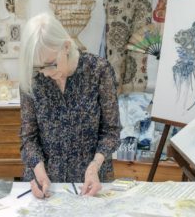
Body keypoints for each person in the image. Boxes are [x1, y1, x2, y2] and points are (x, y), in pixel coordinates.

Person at [19, 13, 120, 198]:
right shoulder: (32, 78)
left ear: (66, 46)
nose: (46, 73)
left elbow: (111, 132)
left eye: (50, 64)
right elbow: (29, 138)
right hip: (47, 184)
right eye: (38, 67)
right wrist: (38, 170)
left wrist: (95, 166)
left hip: (91, 181)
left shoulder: (98, 71)